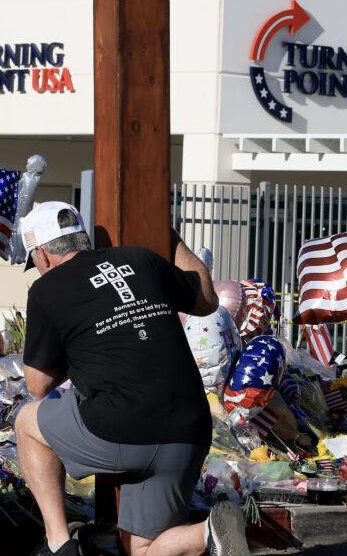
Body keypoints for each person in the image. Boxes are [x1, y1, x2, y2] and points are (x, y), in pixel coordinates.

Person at [14, 201, 248, 556]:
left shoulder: (47, 290)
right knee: (140, 549)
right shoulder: (142, 259)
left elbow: (37, 385)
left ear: (43, 255)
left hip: (122, 428)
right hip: (189, 428)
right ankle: (208, 532)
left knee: (27, 423)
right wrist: (171, 239)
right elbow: (206, 298)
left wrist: (75, 352)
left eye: (35, 261)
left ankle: (59, 544)